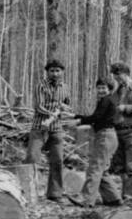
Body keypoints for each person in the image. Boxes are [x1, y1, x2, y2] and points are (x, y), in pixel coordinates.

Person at [67, 78, 122, 208]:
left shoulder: (106, 100)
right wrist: (76, 116)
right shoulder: (106, 101)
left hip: (105, 136)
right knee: (102, 170)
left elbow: (96, 118)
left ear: (109, 89)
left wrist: (79, 121)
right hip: (108, 136)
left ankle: (86, 199)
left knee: (95, 168)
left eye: (104, 88)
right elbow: (96, 117)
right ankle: (113, 198)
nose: (101, 90)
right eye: (99, 88)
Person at [103, 61, 132, 205]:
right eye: (115, 75)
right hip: (118, 132)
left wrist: (127, 108)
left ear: (126, 74)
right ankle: (125, 196)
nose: (117, 78)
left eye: (119, 75)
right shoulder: (116, 92)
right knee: (121, 167)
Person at [25, 59, 72, 202]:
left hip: (57, 129)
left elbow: (67, 104)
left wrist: (64, 109)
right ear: (47, 72)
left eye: (58, 71)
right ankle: (28, 192)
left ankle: (55, 193)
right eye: (52, 71)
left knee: (57, 160)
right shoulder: (41, 86)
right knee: (32, 158)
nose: (55, 74)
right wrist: (51, 114)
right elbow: (38, 106)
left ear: (62, 72)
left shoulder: (65, 87)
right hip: (40, 127)